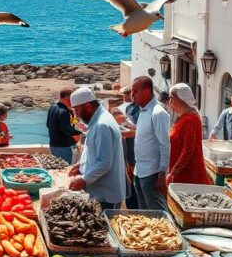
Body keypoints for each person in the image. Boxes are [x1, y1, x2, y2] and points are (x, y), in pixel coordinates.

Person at [68, 87, 126, 209]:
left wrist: (83, 180)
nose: (76, 115)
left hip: (105, 194)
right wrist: (81, 164)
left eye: (77, 110)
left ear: (88, 106)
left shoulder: (102, 125)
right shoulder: (99, 119)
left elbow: (104, 162)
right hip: (102, 191)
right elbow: (95, 151)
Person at [130, 76, 171, 211]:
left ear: (147, 91)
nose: (132, 95)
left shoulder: (158, 113)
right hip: (140, 170)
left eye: (135, 91)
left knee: (157, 213)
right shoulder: (143, 111)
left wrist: (162, 174)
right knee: (145, 214)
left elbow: (165, 145)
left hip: (152, 172)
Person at [167, 83, 212, 186]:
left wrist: (173, 172)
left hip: (189, 176)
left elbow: (189, 149)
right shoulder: (183, 118)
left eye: (171, 97)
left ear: (181, 99)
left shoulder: (189, 120)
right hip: (182, 174)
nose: (170, 101)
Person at [46, 88, 80, 163]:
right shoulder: (64, 112)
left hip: (53, 144)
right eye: (72, 98)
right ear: (67, 97)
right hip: (63, 146)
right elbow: (67, 130)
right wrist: (80, 133)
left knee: (58, 167)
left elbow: (48, 124)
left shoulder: (52, 107)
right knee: (65, 168)